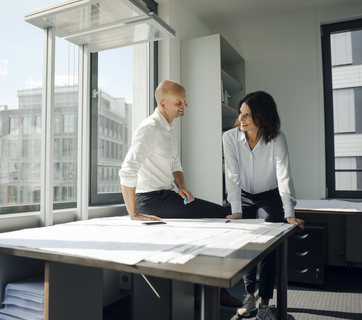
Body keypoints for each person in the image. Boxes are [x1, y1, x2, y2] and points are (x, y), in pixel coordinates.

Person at [119, 79, 242, 308]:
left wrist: (181, 186)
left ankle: (200, 293)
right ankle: (215, 293)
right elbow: (128, 169)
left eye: (185, 100)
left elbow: (175, 162)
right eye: (179, 101)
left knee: (216, 216)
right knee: (221, 215)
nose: (185, 105)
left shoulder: (168, 126)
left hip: (165, 194)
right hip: (150, 199)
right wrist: (133, 213)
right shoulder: (150, 129)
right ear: (163, 103)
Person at [222, 91, 305, 320]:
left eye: (247, 115)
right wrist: (236, 209)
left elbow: (284, 175)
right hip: (245, 196)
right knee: (248, 245)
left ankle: (265, 304)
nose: (241, 119)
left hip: (270, 195)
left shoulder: (277, 138)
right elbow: (232, 175)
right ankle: (250, 297)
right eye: (241, 113)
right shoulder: (230, 138)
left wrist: (289, 212)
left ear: (262, 117)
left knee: (268, 247)